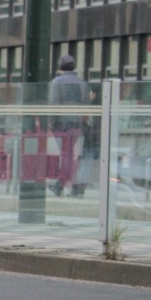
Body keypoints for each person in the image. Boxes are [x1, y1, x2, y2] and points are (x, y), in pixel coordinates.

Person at [48, 54, 88, 197]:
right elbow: (85, 105)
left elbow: (54, 104)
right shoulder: (82, 83)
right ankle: (65, 183)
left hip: (61, 124)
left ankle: (66, 183)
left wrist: (51, 124)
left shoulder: (56, 82)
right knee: (72, 155)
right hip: (76, 125)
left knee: (65, 155)